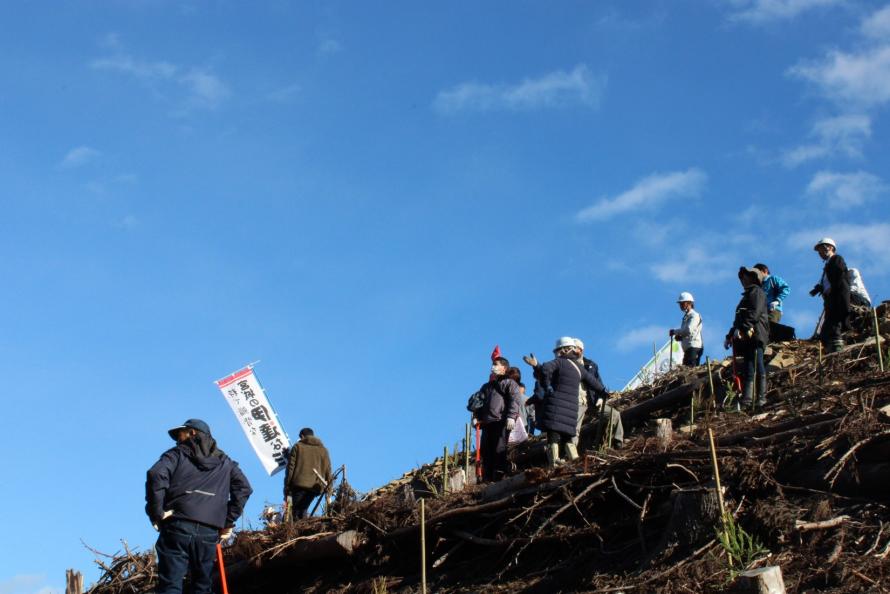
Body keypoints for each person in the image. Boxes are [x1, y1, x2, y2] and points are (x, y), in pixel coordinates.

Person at [146, 419, 252, 594]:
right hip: (209, 530)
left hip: (177, 524)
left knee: (171, 584)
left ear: (192, 433)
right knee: (202, 587)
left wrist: (156, 512)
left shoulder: (176, 455)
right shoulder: (225, 462)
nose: (177, 440)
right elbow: (244, 488)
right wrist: (226, 520)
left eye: (179, 434)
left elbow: (156, 474)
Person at [535, 337, 608, 467]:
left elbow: (545, 369)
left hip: (556, 406)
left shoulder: (559, 362)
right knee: (568, 436)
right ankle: (575, 461)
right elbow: (593, 382)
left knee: (553, 435)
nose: (557, 353)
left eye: (559, 350)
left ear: (566, 350)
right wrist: (603, 391)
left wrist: (547, 386)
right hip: (572, 408)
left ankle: (554, 464)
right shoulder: (579, 367)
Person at [724, 267, 769, 409]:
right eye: (742, 277)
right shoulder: (746, 296)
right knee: (750, 367)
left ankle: (761, 397)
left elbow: (754, 313)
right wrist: (730, 335)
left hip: (756, 335)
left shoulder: (757, 292)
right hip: (747, 338)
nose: (743, 279)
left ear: (753, 278)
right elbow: (738, 321)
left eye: (746, 276)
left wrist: (744, 328)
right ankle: (747, 400)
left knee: (757, 364)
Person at [473, 356, 522, 482]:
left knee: (499, 449)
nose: (492, 367)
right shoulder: (486, 386)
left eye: (496, 364)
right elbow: (479, 403)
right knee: (486, 451)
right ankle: (487, 478)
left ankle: (499, 476)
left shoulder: (510, 384)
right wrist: (476, 416)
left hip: (501, 421)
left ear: (504, 368)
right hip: (486, 423)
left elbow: (514, 401)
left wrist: (511, 417)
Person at [809, 238, 851, 353]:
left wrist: (836, 293)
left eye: (821, 249)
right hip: (830, 298)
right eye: (819, 252)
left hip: (837, 297)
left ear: (830, 247)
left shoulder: (836, 259)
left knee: (834, 325)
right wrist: (820, 288)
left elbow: (840, 278)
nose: (820, 253)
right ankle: (832, 350)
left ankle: (837, 351)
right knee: (826, 330)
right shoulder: (827, 265)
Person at [284, 427, 333, 520]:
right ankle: (301, 527)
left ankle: (295, 531)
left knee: (295, 512)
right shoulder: (323, 450)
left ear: (302, 436)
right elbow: (328, 470)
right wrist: (329, 488)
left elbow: (291, 468)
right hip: (315, 486)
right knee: (302, 509)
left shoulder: (297, 447)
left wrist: (287, 486)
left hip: (299, 484)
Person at [669, 292, 703, 366]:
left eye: (682, 303)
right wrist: (681, 337)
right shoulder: (687, 317)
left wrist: (675, 332)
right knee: (686, 370)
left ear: (689, 303)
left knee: (690, 371)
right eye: (680, 304)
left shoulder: (694, 315)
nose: (680, 306)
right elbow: (690, 333)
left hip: (694, 347)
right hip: (689, 349)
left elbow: (688, 330)